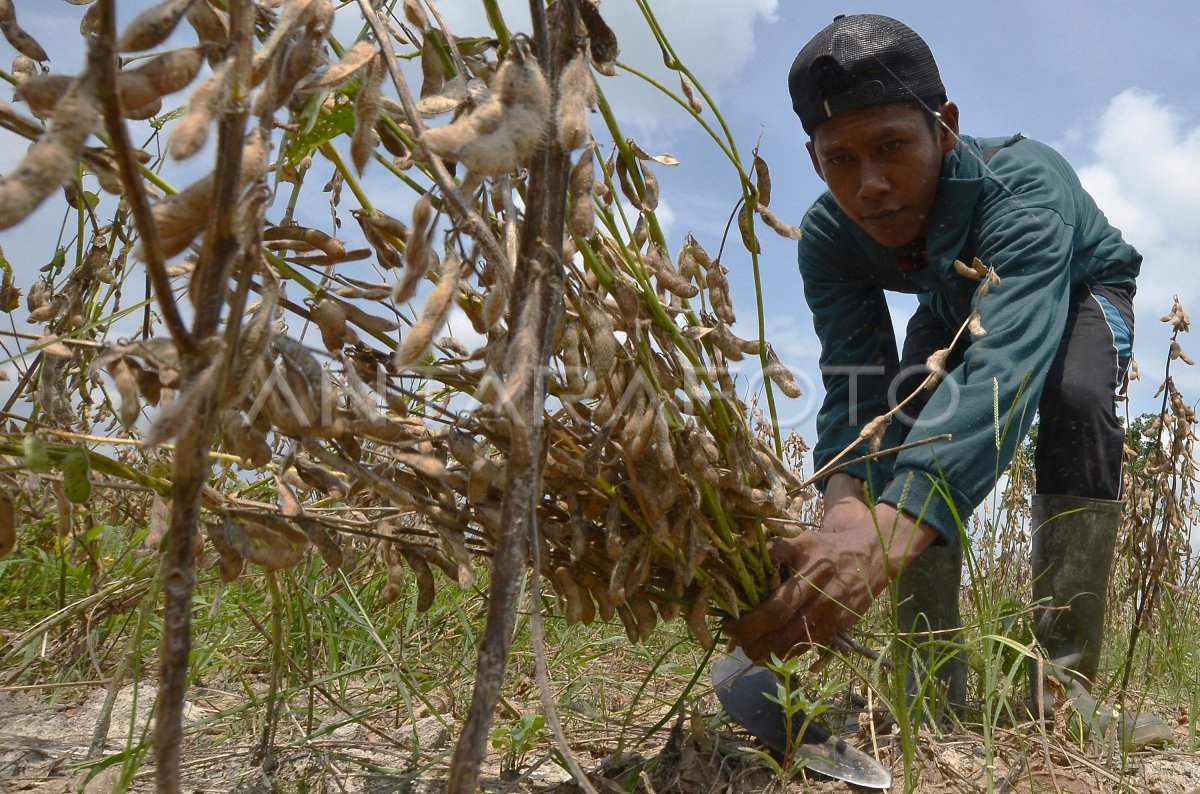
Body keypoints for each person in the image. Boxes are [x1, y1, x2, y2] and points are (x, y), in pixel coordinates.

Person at [724, 13, 1166, 744]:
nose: (869, 186)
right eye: (840, 160)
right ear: (813, 160)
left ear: (945, 127)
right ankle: (930, 688)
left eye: (892, 147)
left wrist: (888, 538)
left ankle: (1059, 692)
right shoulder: (830, 239)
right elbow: (857, 384)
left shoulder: (1023, 185)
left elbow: (1007, 361)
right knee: (905, 420)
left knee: (1077, 398)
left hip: (1075, 284)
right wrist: (844, 519)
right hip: (953, 299)